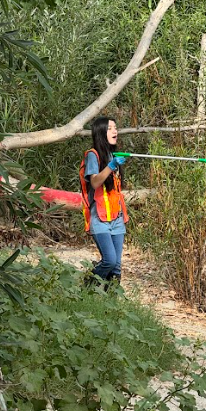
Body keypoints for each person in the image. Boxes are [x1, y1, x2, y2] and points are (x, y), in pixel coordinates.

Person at [79, 117, 129, 286]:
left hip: (117, 218)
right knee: (109, 261)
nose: (115, 131)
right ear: (101, 132)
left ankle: (111, 301)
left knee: (116, 268)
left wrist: (115, 162)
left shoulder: (114, 154)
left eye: (116, 127)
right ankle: (87, 286)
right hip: (99, 219)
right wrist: (111, 166)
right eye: (110, 128)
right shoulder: (93, 155)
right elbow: (94, 182)